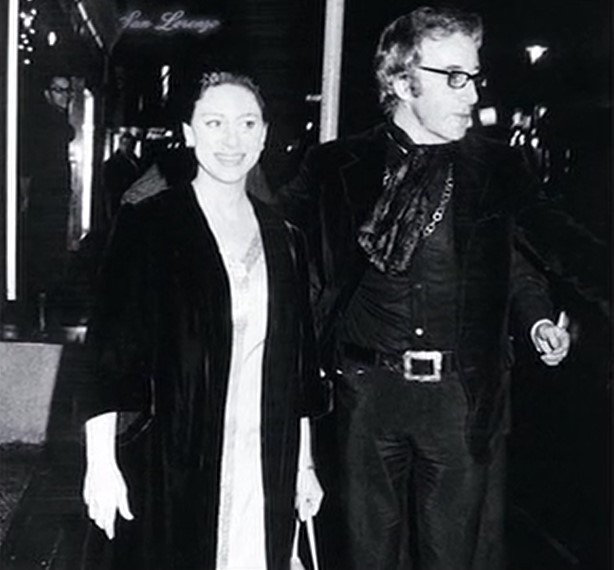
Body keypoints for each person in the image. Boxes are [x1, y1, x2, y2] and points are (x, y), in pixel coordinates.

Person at [274, 7, 573, 570]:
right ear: (401, 82)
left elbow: (518, 261)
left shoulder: (495, 169)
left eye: (474, 76)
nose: (472, 93)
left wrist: (535, 318)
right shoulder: (338, 166)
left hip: (458, 400)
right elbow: (281, 255)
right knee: (366, 556)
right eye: (454, 77)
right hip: (366, 397)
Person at [80, 71, 326, 570]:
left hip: (265, 454)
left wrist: (304, 464)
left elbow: (299, 365)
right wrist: (100, 464)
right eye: (214, 123)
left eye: (246, 124)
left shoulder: (286, 238)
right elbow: (110, 355)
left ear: (263, 135)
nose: (231, 140)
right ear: (189, 134)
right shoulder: (149, 224)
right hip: (173, 453)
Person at [19, 74, 75, 332]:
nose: (64, 96)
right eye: (58, 91)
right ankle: (41, 313)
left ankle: (39, 313)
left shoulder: (54, 122)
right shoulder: (48, 124)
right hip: (46, 198)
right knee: (45, 256)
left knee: (47, 257)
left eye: (66, 91)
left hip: (52, 197)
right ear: (47, 93)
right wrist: (27, 195)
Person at [102, 131, 142, 231]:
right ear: (120, 145)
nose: (128, 147)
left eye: (131, 145)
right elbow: (110, 187)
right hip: (119, 204)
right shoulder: (112, 164)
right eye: (125, 144)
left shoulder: (136, 161)